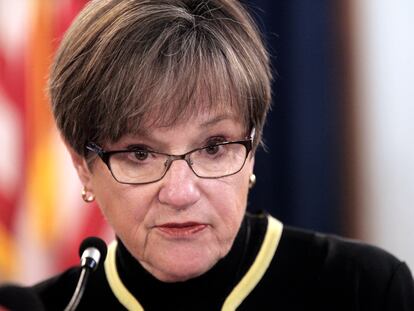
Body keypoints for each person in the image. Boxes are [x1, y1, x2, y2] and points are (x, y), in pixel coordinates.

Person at [1, 0, 414, 310]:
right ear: (83, 169)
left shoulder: (365, 289)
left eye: (214, 147)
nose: (180, 193)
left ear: (251, 148)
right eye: (140, 153)